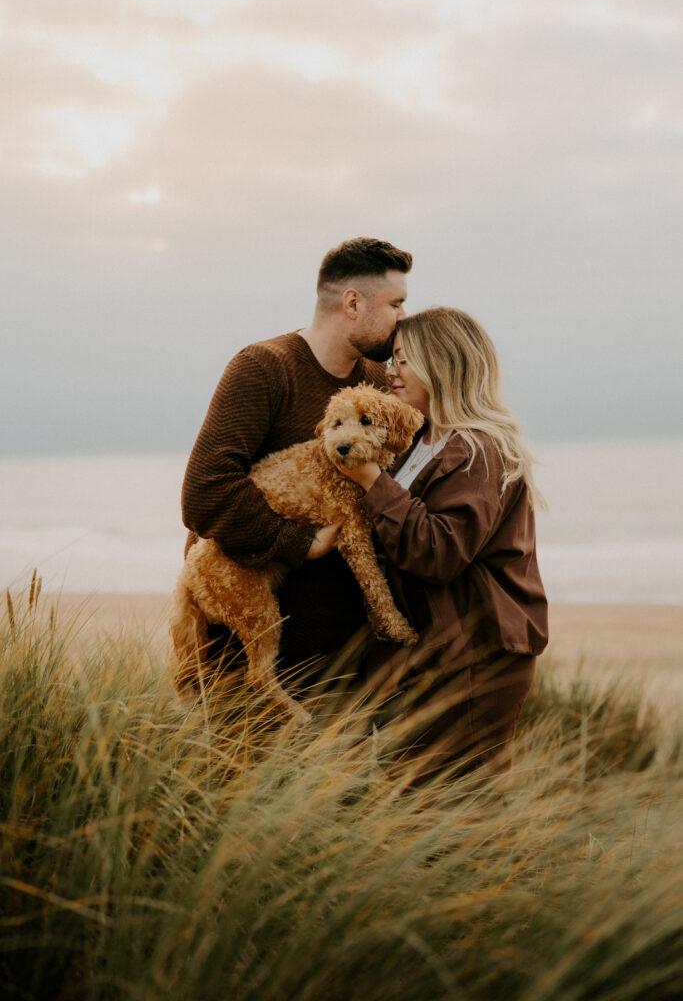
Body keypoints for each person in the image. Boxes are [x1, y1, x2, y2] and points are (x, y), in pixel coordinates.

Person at [180, 236, 412, 693]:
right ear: (352, 303)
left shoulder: (379, 383)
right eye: (397, 304)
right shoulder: (263, 368)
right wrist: (300, 543)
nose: (404, 318)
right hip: (250, 659)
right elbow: (205, 490)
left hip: (345, 658)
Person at [344, 307, 548, 782]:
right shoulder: (422, 441)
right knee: (416, 812)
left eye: (403, 360)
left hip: (476, 658)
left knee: (459, 814)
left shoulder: (481, 448)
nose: (391, 373)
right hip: (433, 656)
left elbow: (437, 553)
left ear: (442, 362)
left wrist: (370, 478)